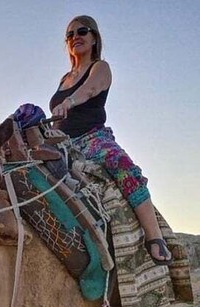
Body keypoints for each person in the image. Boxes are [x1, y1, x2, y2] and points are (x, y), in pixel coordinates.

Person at [49, 15, 172, 265]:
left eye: (82, 31)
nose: (76, 37)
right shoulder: (65, 78)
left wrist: (69, 102)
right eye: (70, 35)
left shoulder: (100, 67)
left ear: (94, 37)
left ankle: (154, 237)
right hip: (63, 145)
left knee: (122, 165)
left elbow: (91, 89)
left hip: (92, 139)